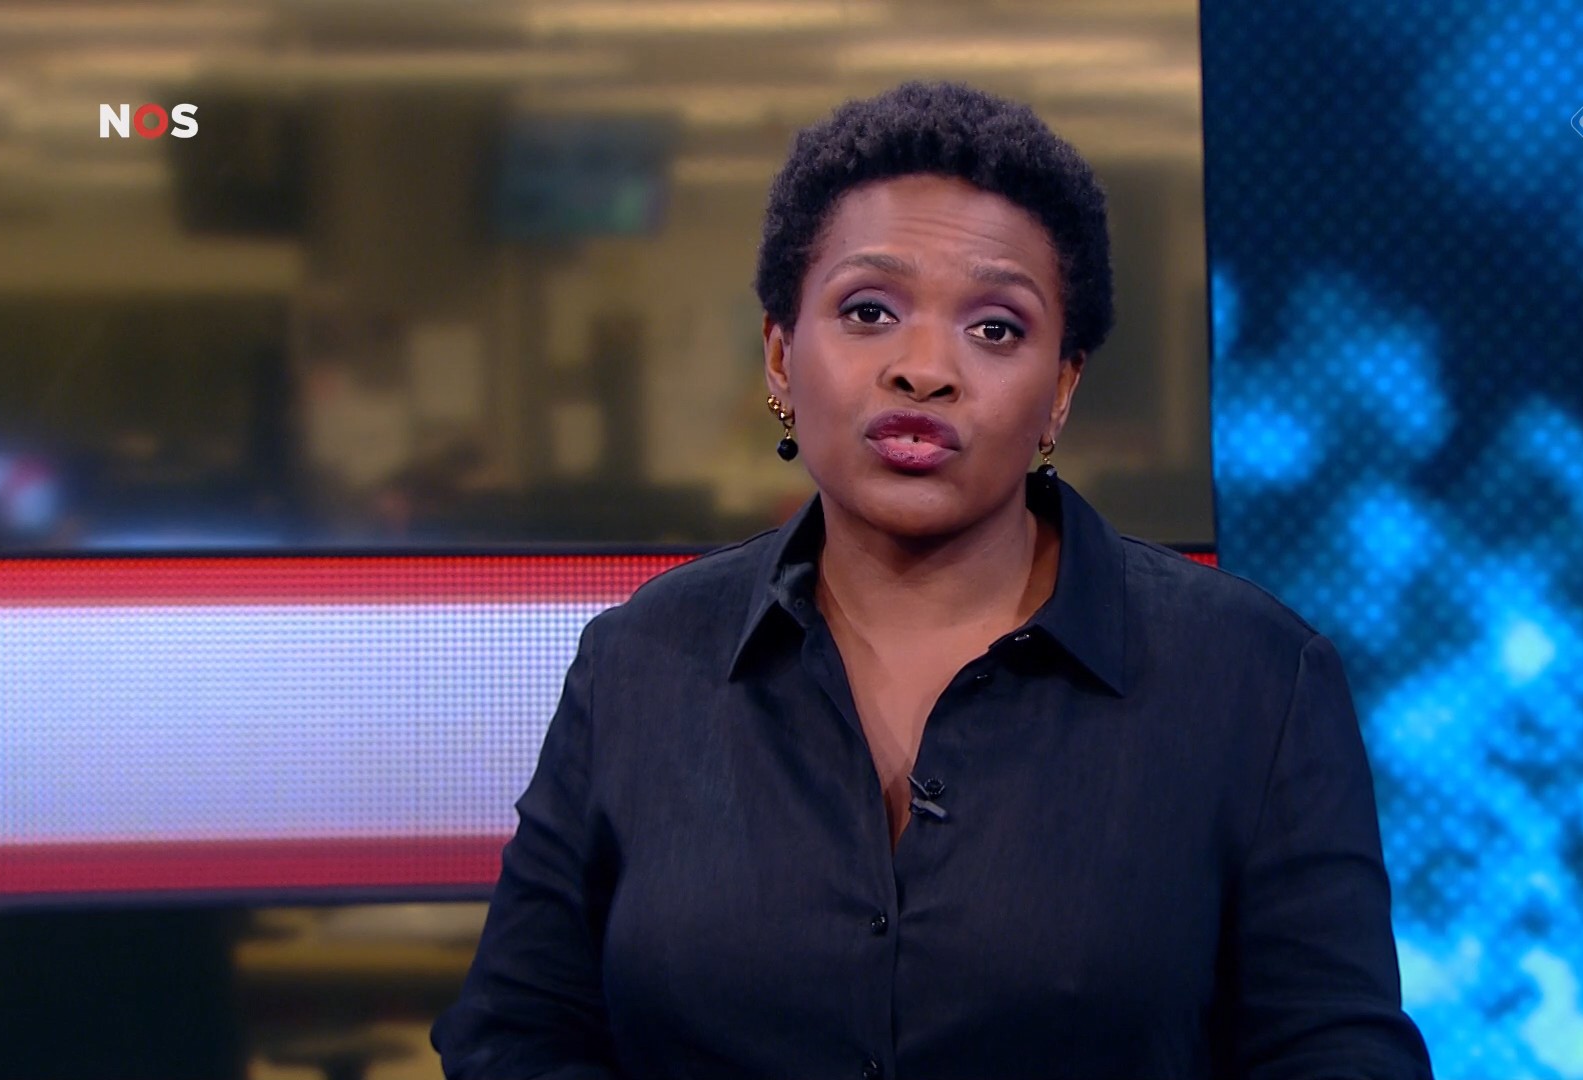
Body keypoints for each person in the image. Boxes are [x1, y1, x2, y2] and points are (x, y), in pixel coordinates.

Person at [431, 80, 1432, 1080]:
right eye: (868, 310)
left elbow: (1337, 1058)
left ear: (1062, 388)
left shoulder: (1254, 677)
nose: (923, 369)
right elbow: (512, 1036)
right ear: (779, 356)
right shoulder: (640, 661)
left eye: (995, 328)